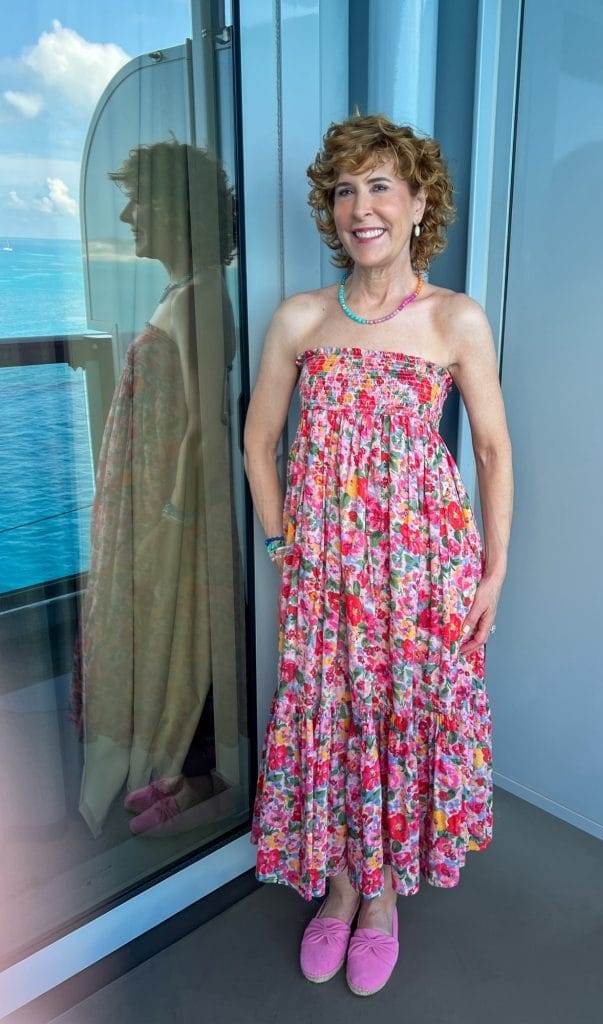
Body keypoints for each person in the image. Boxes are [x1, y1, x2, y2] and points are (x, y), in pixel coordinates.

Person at [244, 112, 513, 996]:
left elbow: (494, 452)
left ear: (417, 201)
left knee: (401, 721)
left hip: (422, 572)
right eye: (345, 189)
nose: (362, 207)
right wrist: (286, 542)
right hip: (326, 579)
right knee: (335, 721)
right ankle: (341, 883)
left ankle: (385, 894)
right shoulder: (301, 318)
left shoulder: (453, 321)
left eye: (380, 186)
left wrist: (494, 573)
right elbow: (259, 442)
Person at [70, 139, 239, 838]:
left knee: (163, 632)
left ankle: (169, 774)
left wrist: (171, 516)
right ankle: (160, 773)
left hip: (170, 511)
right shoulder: (184, 291)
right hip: (150, 503)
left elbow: (206, 425)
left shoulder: (200, 297)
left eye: (141, 201)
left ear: (176, 210)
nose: (129, 213)